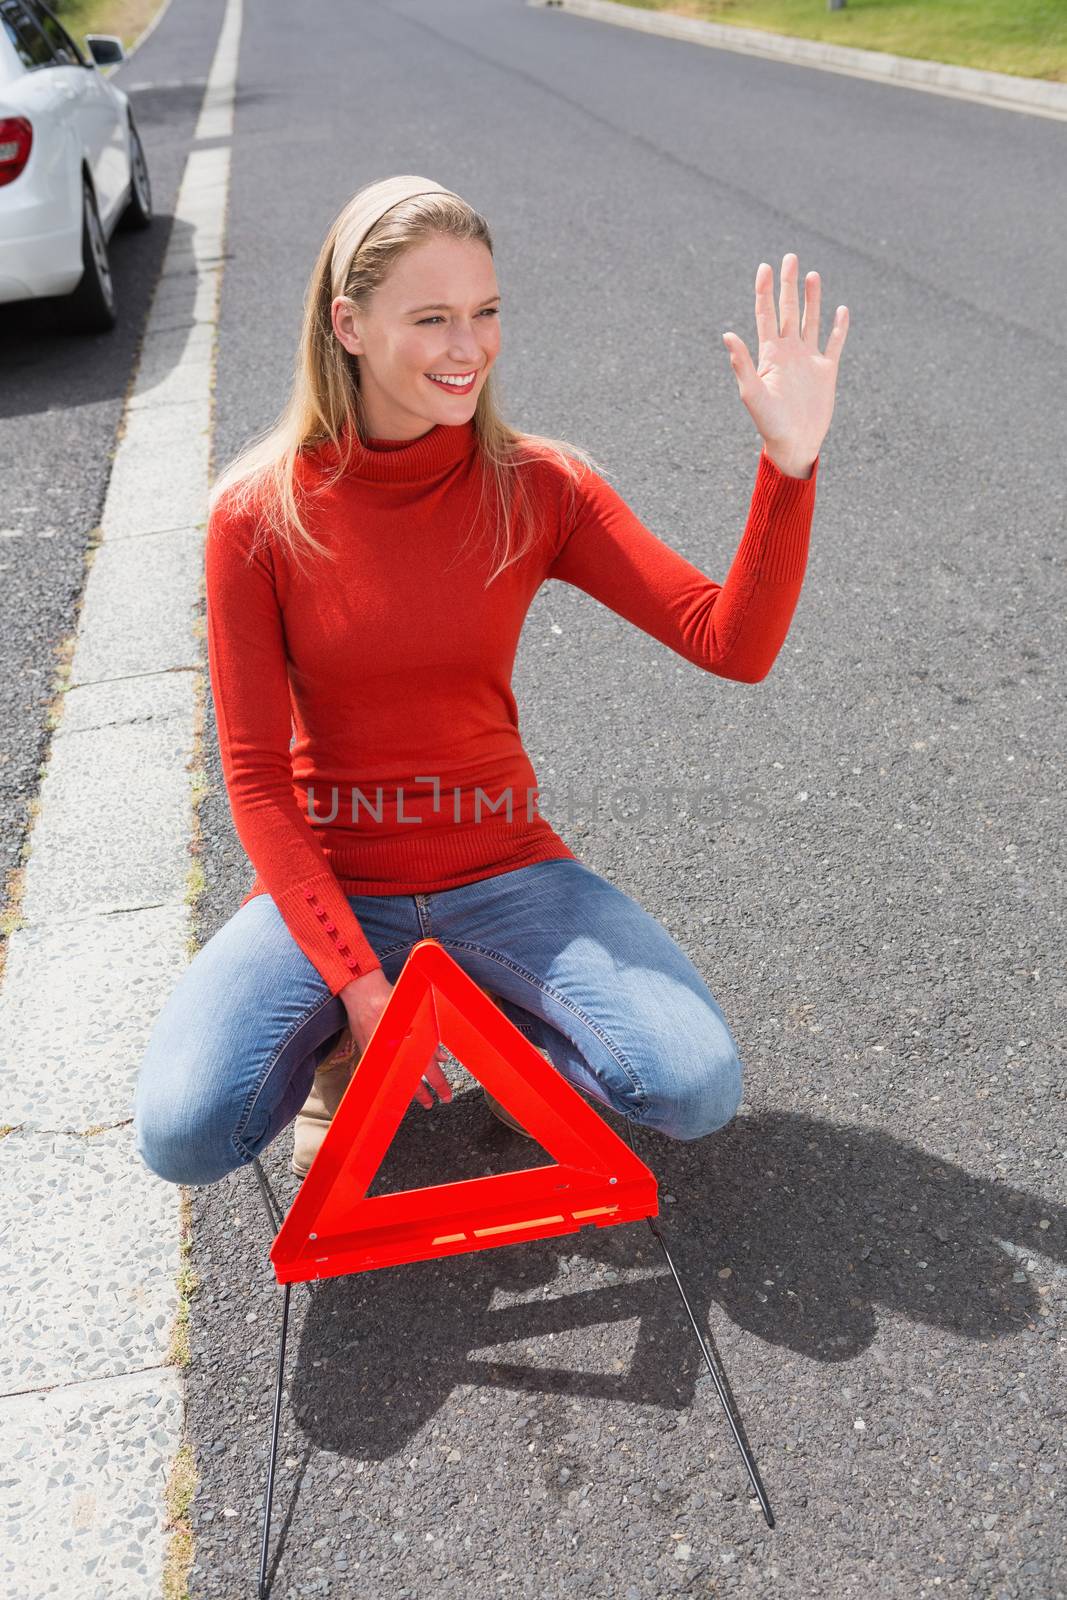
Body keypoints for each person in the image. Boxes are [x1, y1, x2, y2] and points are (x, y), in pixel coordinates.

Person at [132, 174, 849, 1188]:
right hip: (339, 882)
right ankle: (354, 1038)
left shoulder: (538, 484)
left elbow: (726, 641)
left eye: (485, 312)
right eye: (430, 318)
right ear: (348, 324)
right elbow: (253, 779)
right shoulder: (257, 514)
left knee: (693, 1089)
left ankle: (495, 1007)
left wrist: (789, 461)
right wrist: (358, 985)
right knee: (184, 1131)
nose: (467, 346)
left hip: (509, 873)